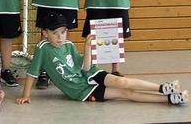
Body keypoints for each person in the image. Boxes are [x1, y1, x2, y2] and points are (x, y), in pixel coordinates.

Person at [16, 12, 188, 105]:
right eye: (54, 33)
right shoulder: (43, 49)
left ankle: (163, 87)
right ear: (44, 33)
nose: (60, 37)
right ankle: (169, 98)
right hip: (80, 90)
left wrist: (87, 48)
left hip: (88, 73)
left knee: (123, 82)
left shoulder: (68, 45)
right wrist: (25, 95)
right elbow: (32, 74)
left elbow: (85, 68)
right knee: (125, 93)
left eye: (63, 32)